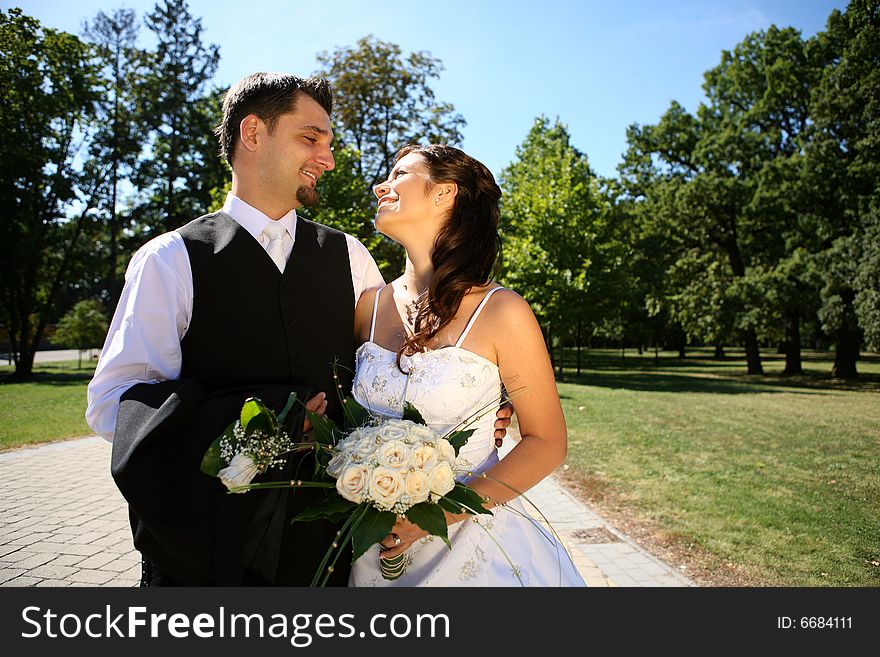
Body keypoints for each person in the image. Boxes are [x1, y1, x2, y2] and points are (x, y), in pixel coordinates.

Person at [86, 72, 512, 586]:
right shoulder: (171, 259)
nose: (328, 159)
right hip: (206, 546)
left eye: (329, 144)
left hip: (324, 547)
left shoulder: (349, 257)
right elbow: (115, 404)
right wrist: (255, 422)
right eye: (310, 139)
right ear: (253, 134)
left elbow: (403, 362)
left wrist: (486, 400)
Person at [347, 144, 586, 586]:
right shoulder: (367, 307)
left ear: (445, 194)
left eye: (399, 174)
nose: (381, 184)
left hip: (478, 547)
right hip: (371, 548)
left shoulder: (503, 311)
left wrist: (436, 515)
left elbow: (546, 442)